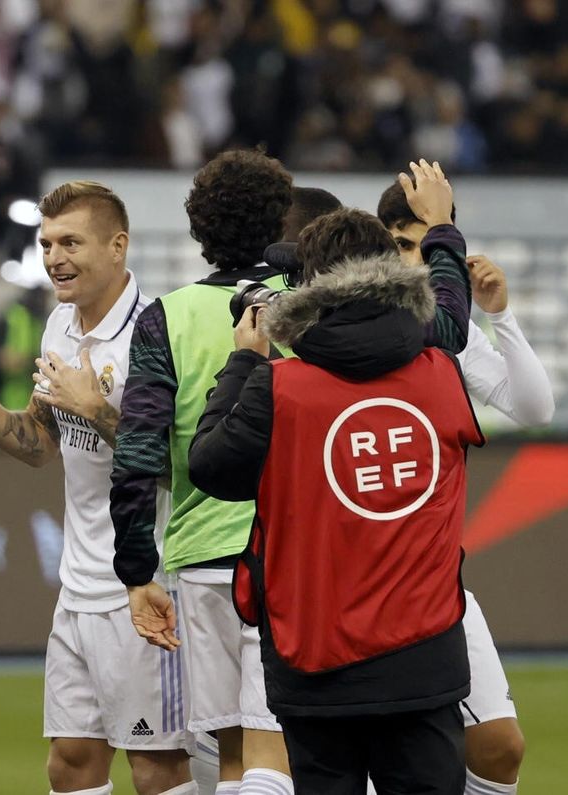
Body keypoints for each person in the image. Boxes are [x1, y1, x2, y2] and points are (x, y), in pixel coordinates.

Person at [188, 162, 480, 793]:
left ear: (306, 289)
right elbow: (450, 315)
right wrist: (441, 231)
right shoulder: (439, 373)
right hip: (424, 658)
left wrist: (244, 360)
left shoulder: (278, 387)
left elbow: (212, 468)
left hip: (313, 659)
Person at [0, 181, 195, 795]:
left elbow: (181, 467)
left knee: (157, 767)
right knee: (71, 762)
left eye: (71, 242)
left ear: (118, 246)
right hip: (77, 589)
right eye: (47, 243)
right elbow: (42, 444)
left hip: (145, 584)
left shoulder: (157, 332)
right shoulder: (58, 326)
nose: (54, 257)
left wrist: (99, 409)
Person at [110, 150, 297, 795]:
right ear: (281, 223)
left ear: (199, 230)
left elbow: (137, 453)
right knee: (288, 755)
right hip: (293, 557)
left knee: (236, 763)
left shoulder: (167, 318)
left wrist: (137, 573)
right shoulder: (307, 309)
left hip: (202, 563)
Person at [378, 180, 553, 795]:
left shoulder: (451, 336)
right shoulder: (348, 333)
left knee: (501, 748)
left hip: (435, 583)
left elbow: (533, 408)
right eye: (403, 245)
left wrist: (500, 316)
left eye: (428, 247)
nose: (416, 262)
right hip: (360, 584)